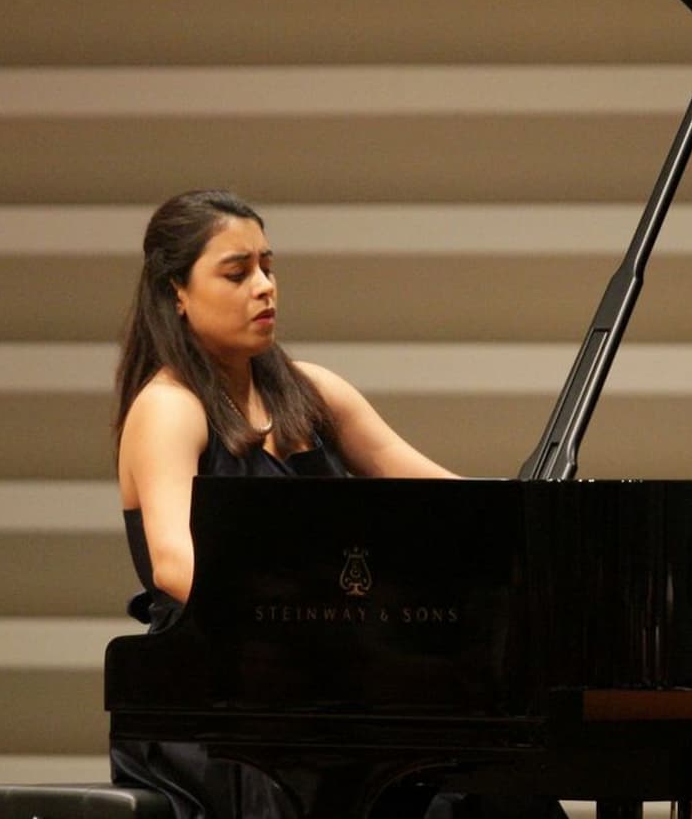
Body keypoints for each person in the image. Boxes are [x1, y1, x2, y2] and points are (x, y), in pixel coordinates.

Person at [109, 188, 455, 819]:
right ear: (175, 295)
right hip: (214, 703)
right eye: (237, 273)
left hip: (324, 685)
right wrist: (323, 621)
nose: (264, 287)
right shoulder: (169, 407)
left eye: (268, 267)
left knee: (475, 786)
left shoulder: (312, 392)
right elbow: (172, 564)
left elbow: (440, 496)